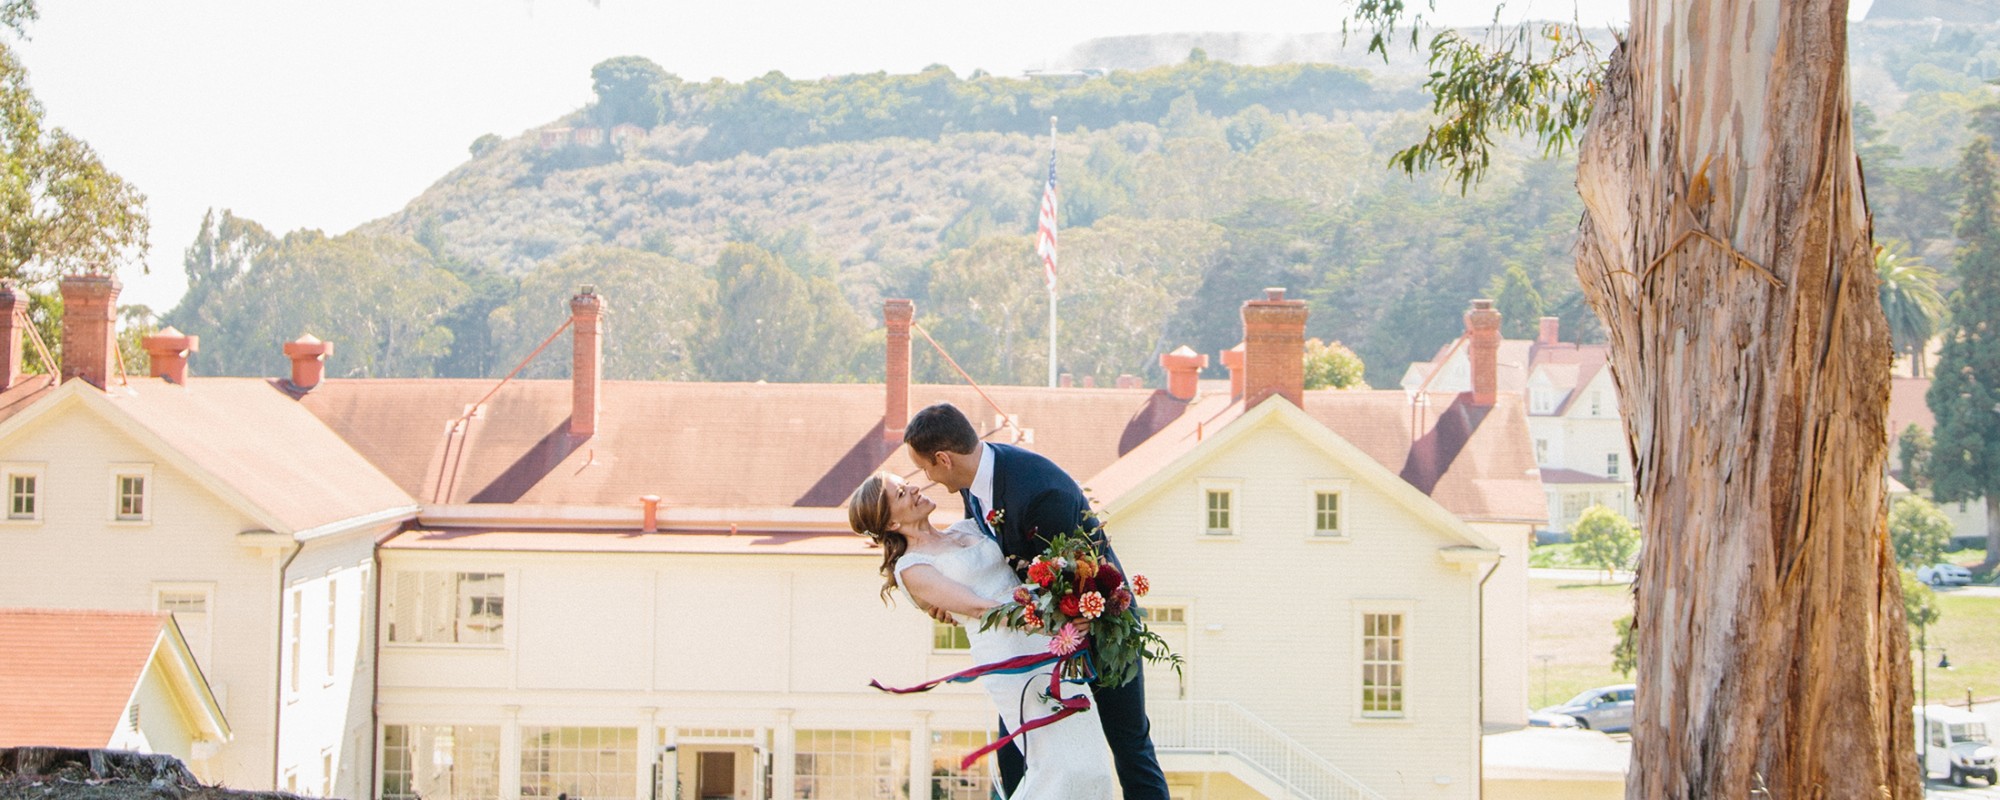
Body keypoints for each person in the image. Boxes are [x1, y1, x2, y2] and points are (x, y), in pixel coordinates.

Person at [902, 402, 1169, 800]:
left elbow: (1081, 570)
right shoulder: (974, 487)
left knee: (1129, 747)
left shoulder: (1038, 489)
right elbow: (996, 559)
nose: (927, 479)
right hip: (1039, 646)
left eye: (925, 468)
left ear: (944, 459)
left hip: (1102, 631)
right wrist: (943, 597)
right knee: (1016, 752)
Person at [848, 472, 1116, 800]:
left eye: (907, 484)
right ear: (890, 523)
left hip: (1049, 638)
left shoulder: (968, 527)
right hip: (1011, 655)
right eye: (902, 493)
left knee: (1093, 760)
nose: (916, 489)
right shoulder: (912, 568)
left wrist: (1062, 601)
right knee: (1057, 764)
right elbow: (978, 608)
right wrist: (1049, 616)